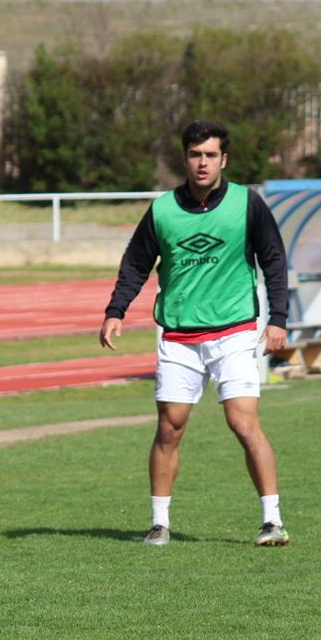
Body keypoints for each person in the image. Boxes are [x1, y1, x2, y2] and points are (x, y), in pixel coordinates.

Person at [99, 119, 291, 548]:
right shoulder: (163, 209)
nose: (202, 163)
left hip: (235, 331)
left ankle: (272, 520)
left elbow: (274, 260)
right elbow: (135, 264)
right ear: (184, 158)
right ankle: (159, 523)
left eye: (210, 155)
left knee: (242, 422)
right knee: (171, 427)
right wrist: (116, 311)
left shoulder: (247, 204)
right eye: (194, 155)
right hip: (178, 335)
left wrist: (278, 319)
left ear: (224, 159)